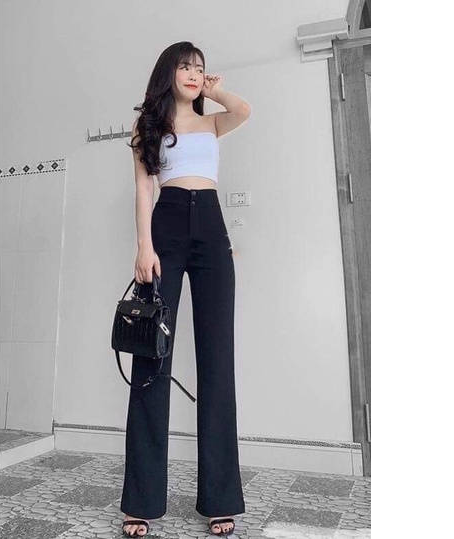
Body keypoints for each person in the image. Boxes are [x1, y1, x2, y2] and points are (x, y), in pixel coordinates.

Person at [121, 41, 251, 538]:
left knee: (218, 362)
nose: (194, 73)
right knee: (152, 360)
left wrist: (215, 93)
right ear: (168, 73)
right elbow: (143, 189)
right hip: (168, 227)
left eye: (199, 67)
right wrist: (144, 247)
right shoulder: (149, 127)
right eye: (185, 66)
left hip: (212, 231)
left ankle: (221, 499)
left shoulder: (213, 121)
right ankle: (140, 503)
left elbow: (244, 109)